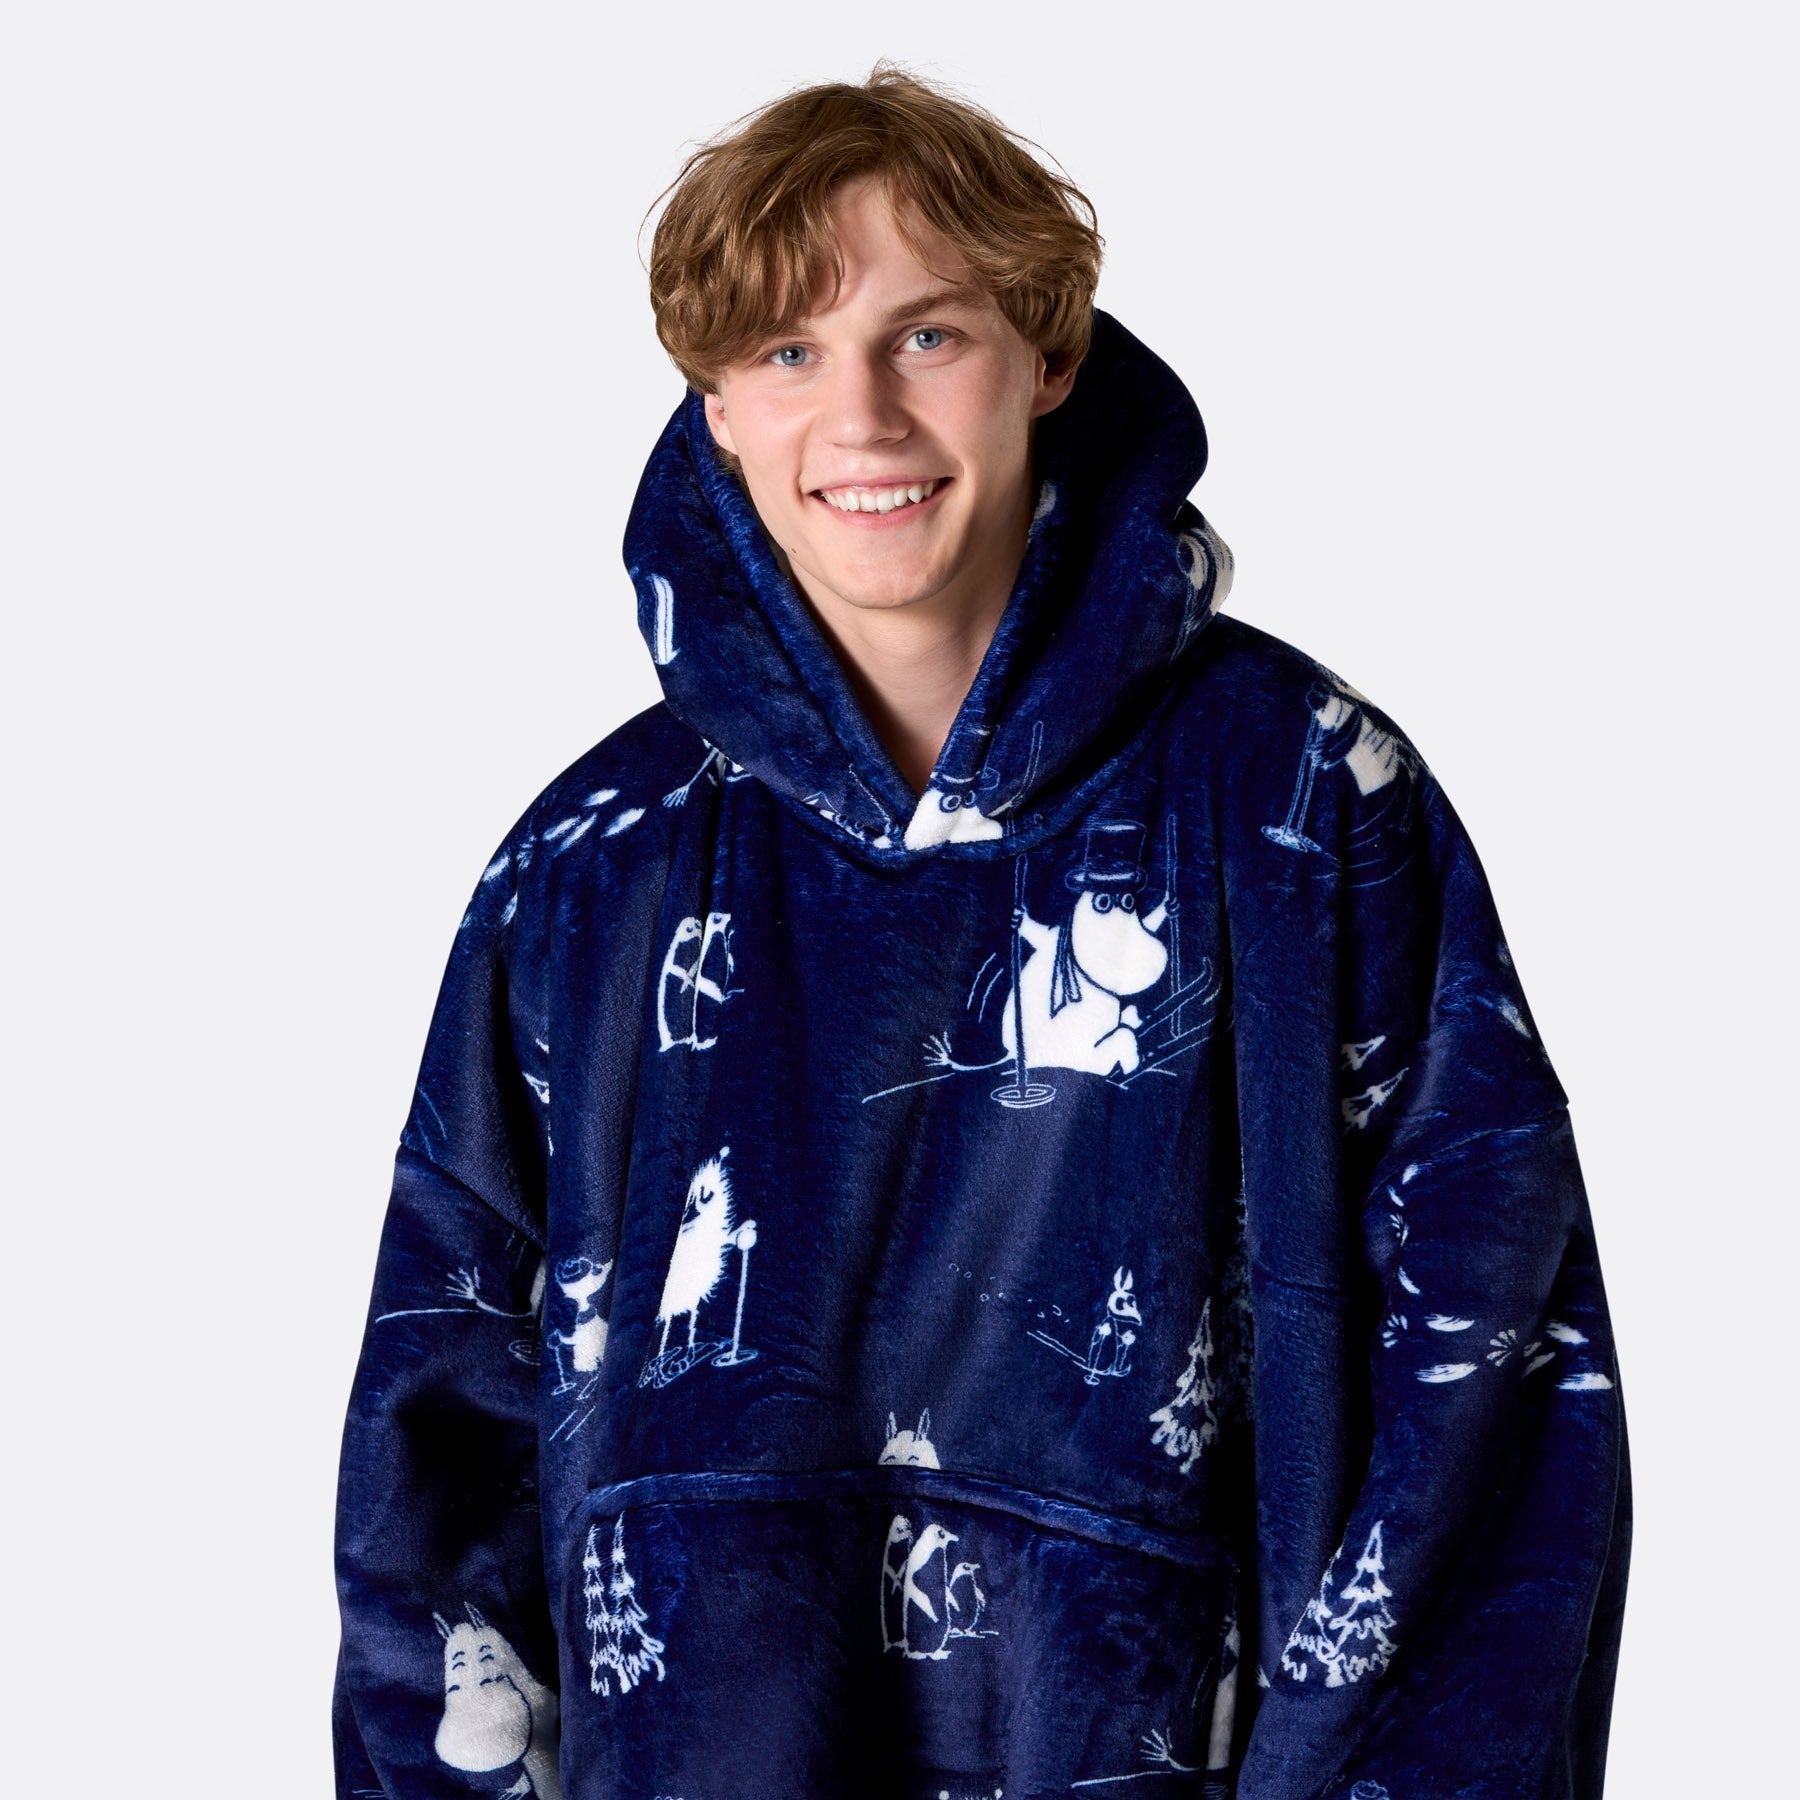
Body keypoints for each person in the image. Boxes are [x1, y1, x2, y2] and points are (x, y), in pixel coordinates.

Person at [333, 64, 1629, 1800]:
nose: (861, 415)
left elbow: (1491, 1423)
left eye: (928, 335)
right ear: (716, 404)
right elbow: (439, 1472)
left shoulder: (1310, 803)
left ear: (1050, 355)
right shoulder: (587, 868)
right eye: (788, 352)